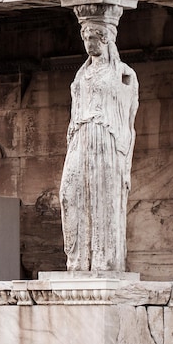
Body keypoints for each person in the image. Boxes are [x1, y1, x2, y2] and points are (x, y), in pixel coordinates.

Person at [60, 14, 139, 271]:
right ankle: (78, 259)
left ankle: (104, 260)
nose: (88, 43)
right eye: (85, 38)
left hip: (106, 138)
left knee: (103, 196)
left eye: (93, 38)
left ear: (106, 40)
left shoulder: (123, 73)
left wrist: (125, 157)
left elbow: (129, 116)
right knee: (68, 194)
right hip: (80, 137)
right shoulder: (81, 75)